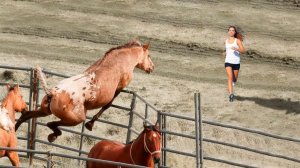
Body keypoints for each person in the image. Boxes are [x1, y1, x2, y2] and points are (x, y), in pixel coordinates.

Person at [224, 26, 245, 102]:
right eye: (230, 30)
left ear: (235, 32)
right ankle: (231, 94)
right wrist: (224, 53)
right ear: (228, 32)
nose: (231, 31)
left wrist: (237, 49)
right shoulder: (226, 41)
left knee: (234, 79)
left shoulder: (237, 41)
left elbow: (243, 51)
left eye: (233, 30)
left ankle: (231, 86)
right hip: (228, 62)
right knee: (230, 77)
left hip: (236, 62)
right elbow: (227, 51)